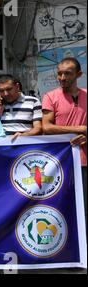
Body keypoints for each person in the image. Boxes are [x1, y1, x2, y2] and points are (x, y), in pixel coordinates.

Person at [42, 57, 86, 207]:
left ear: (79, 74)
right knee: (63, 206)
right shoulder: (50, 97)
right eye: (60, 73)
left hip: (85, 161)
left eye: (68, 73)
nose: (62, 78)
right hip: (61, 161)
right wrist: (80, 129)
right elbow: (46, 127)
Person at [0, 75, 42, 140]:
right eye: (2, 91)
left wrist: (23, 136)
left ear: (17, 87)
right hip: (1, 146)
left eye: (9, 89)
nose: (6, 94)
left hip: (26, 144)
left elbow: (38, 128)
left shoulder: (33, 102)